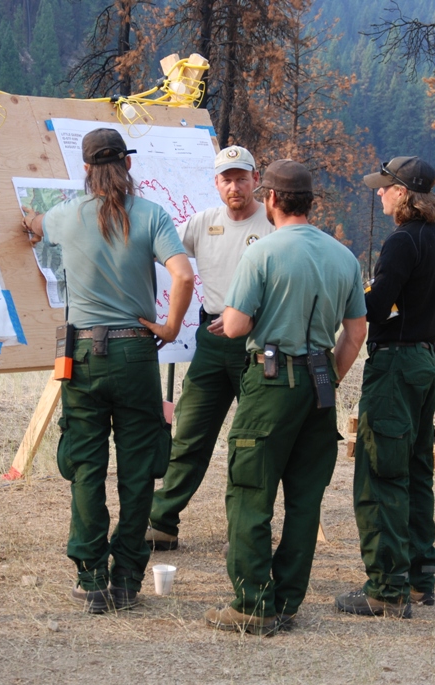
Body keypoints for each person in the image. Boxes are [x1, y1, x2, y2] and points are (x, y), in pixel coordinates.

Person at [22, 128, 194, 613]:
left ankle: (92, 577)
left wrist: (32, 220)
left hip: (81, 356)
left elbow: (34, 225)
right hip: (136, 352)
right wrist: (168, 326)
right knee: (138, 471)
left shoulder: (63, 216)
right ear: (128, 166)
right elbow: (183, 274)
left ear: (85, 170)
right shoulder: (151, 214)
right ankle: (127, 579)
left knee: (86, 467)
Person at [203, 159, 367, 636]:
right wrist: (329, 377)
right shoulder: (344, 257)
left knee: (251, 492)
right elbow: (355, 333)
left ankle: (253, 604)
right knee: (304, 498)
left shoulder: (262, 253)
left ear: (270, 198)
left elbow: (234, 326)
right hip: (319, 384)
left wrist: (237, 317)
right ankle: (288, 600)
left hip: (271, 380)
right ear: (310, 202)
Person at [334, 156, 435, 618]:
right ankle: (420, 578)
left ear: (403, 193)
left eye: (385, 187)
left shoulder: (401, 241)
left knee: (382, 474)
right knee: (415, 471)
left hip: (397, 366)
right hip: (426, 358)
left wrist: (351, 297)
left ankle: (385, 589)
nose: (378, 193)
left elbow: (378, 308)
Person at [146, 145, 275, 552]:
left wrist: (252, 318)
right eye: (226, 179)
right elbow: (161, 253)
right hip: (211, 339)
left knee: (254, 440)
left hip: (258, 342)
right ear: (216, 184)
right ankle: (162, 523)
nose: (235, 186)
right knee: (189, 433)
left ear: (256, 179)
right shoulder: (201, 224)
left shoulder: (273, 223)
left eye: (242, 177)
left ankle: (252, 527)